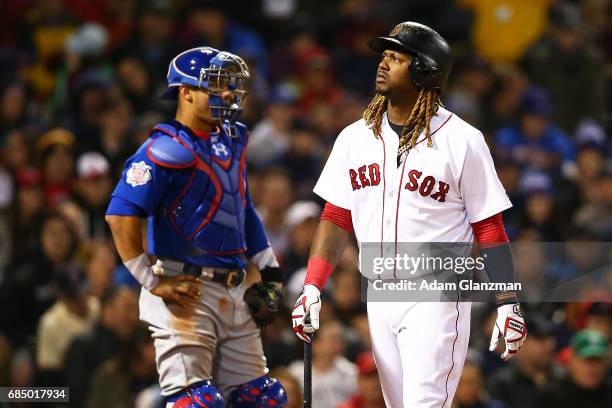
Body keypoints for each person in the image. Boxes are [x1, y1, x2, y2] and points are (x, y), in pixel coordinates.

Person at [291, 22, 527, 407]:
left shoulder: (462, 139)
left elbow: (489, 226)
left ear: (424, 71)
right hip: (379, 291)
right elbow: (336, 216)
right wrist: (313, 285)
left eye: (396, 57)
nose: (383, 63)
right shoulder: (354, 137)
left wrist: (508, 301)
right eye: (384, 55)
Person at [105, 47, 287, 407]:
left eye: (230, 86)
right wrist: (152, 281)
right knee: (196, 403)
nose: (229, 94)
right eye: (217, 86)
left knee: (263, 399)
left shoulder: (232, 139)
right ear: (185, 92)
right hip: (185, 291)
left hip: (234, 289)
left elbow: (242, 207)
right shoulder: (162, 148)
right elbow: (120, 216)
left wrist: (271, 274)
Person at [534, 329, 612, 408]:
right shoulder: (551, 398)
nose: (592, 368)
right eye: (587, 360)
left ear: (607, 364)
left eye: (598, 361)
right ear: (572, 362)